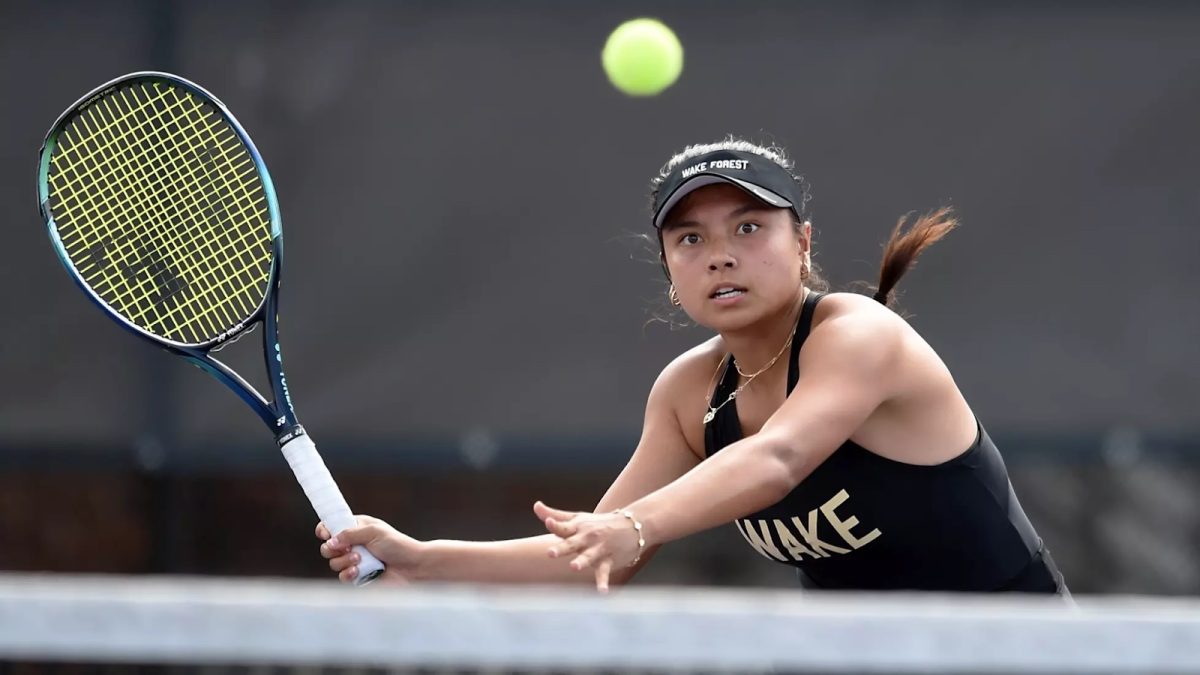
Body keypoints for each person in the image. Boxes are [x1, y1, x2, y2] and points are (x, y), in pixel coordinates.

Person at [317, 138, 1068, 595]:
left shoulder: (856, 333)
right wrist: (420, 559)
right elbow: (592, 556)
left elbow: (776, 459)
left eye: (749, 226)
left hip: (1021, 648)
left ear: (802, 241)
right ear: (669, 268)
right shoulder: (686, 393)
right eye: (691, 239)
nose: (721, 254)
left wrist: (633, 527)